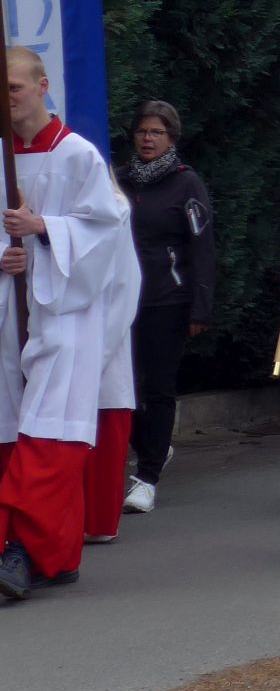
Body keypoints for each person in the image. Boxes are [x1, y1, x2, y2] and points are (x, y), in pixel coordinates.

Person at [0, 50, 125, 600]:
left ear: (42, 85)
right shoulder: (0, 155)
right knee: (11, 429)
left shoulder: (77, 155)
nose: (8, 97)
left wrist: (44, 229)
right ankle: (57, 553)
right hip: (9, 311)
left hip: (66, 312)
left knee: (48, 435)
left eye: (14, 86)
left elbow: (107, 233)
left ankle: (21, 550)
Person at [118, 101, 216, 514]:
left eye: (156, 132)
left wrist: (200, 306)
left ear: (171, 138)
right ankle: (153, 446)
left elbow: (202, 246)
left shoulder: (186, 183)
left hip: (167, 299)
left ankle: (147, 477)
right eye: (142, 131)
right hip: (122, 299)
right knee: (122, 387)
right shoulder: (119, 180)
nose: (147, 139)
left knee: (157, 386)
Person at [82, 186, 143, 545]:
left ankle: (98, 518)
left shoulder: (115, 206)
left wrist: (98, 352)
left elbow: (124, 285)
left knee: (103, 426)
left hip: (103, 338)